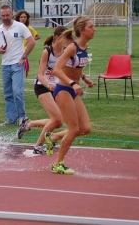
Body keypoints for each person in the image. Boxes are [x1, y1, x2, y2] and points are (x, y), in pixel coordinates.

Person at [44, 15, 95, 175]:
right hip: (64, 90)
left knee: (85, 128)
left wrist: (84, 78)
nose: (94, 30)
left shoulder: (84, 47)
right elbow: (57, 70)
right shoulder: (72, 47)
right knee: (73, 129)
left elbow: (74, 69)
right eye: (91, 27)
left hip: (73, 90)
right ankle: (57, 164)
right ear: (81, 30)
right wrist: (72, 83)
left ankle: (53, 138)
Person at [17, 26, 68, 155]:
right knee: (56, 119)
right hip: (42, 86)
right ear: (57, 38)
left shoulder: (66, 52)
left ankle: (28, 124)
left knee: (58, 122)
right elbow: (40, 74)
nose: (68, 40)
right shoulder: (48, 52)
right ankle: (38, 146)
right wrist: (49, 85)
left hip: (56, 87)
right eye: (65, 37)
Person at [0, 5, 36, 126]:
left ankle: (22, 117)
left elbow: (32, 42)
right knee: (8, 93)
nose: (5, 18)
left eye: (7, 15)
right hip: (5, 64)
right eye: (3, 16)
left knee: (17, 91)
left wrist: (24, 56)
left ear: (11, 14)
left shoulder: (20, 26)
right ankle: (11, 119)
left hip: (17, 63)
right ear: (0, 16)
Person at [15, 10, 40, 77]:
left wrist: (29, 40)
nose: (23, 19)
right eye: (21, 17)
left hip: (24, 51)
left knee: (21, 67)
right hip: (15, 50)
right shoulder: (14, 27)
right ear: (18, 18)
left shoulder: (29, 28)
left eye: (25, 17)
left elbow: (37, 36)